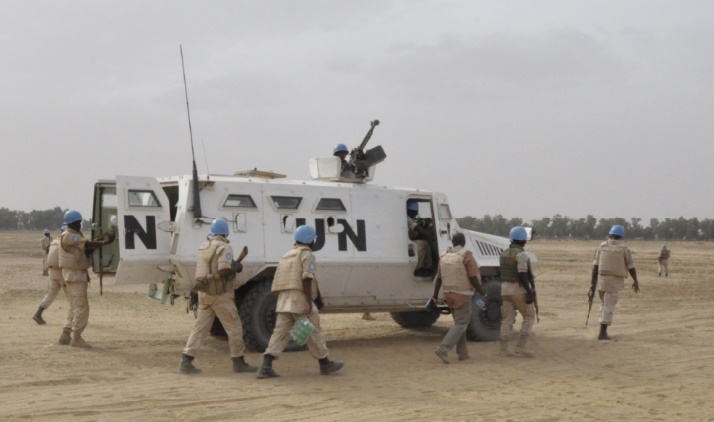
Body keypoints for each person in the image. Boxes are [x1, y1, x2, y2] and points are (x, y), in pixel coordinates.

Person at [257, 225, 344, 379]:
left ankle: (266, 366)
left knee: (279, 334)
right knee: (313, 331)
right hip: (299, 299)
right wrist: (309, 302)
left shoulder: (286, 256)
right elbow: (307, 278)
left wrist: (317, 298)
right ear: (310, 240)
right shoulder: (307, 255)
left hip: (284, 301)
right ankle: (325, 364)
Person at [179, 218, 257, 374]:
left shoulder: (204, 247)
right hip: (220, 294)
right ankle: (238, 361)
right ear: (225, 232)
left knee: (200, 328)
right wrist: (235, 267)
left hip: (204, 293)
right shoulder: (224, 247)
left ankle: (186, 360)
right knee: (234, 327)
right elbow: (223, 271)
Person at [58, 210, 115, 347]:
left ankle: (66, 334)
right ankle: (76, 337)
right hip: (75, 275)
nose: (80, 224)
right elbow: (87, 244)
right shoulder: (69, 235)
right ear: (71, 223)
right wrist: (105, 242)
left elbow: (84, 249)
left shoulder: (73, 235)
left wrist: (93, 247)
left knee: (74, 306)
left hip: (73, 275)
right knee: (82, 308)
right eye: (78, 222)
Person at [432, 232, 486, 363]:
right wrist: (483, 293)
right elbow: (473, 277)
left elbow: (439, 278)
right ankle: (443, 348)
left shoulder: (444, 256)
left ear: (453, 242)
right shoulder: (466, 256)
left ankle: (463, 353)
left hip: (449, 294)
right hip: (463, 295)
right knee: (461, 324)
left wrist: (435, 295)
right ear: (464, 242)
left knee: (460, 324)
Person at [590, 225, 640, 340]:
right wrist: (635, 281)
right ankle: (602, 333)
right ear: (621, 236)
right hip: (614, 281)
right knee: (609, 306)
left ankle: (602, 329)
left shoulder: (601, 247)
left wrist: (592, 284)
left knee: (604, 304)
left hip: (601, 281)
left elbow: (595, 267)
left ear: (610, 235)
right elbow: (631, 267)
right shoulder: (624, 249)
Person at [499, 226, 536, 358]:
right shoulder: (521, 255)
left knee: (507, 319)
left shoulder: (503, 253)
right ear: (523, 241)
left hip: (504, 290)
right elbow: (522, 274)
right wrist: (529, 292)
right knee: (529, 316)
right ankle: (521, 347)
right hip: (518, 289)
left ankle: (504, 348)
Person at [33, 226, 71, 325]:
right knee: (71, 295)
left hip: (52, 273)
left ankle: (38, 313)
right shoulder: (65, 242)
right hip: (61, 272)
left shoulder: (54, 241)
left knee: (50, 294)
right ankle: (72, 319)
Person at [407, 200, 433, 277]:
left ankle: (427, 267)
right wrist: (428, 224)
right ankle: (418, 269)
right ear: (411, 211)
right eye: (416, 212)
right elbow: (425, 233)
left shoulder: (409, 218)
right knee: (422, 244)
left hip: (408, 240)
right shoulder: (409, 219)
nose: (416, 214)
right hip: (406, 243)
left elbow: (418, 233)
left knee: (425, 243)